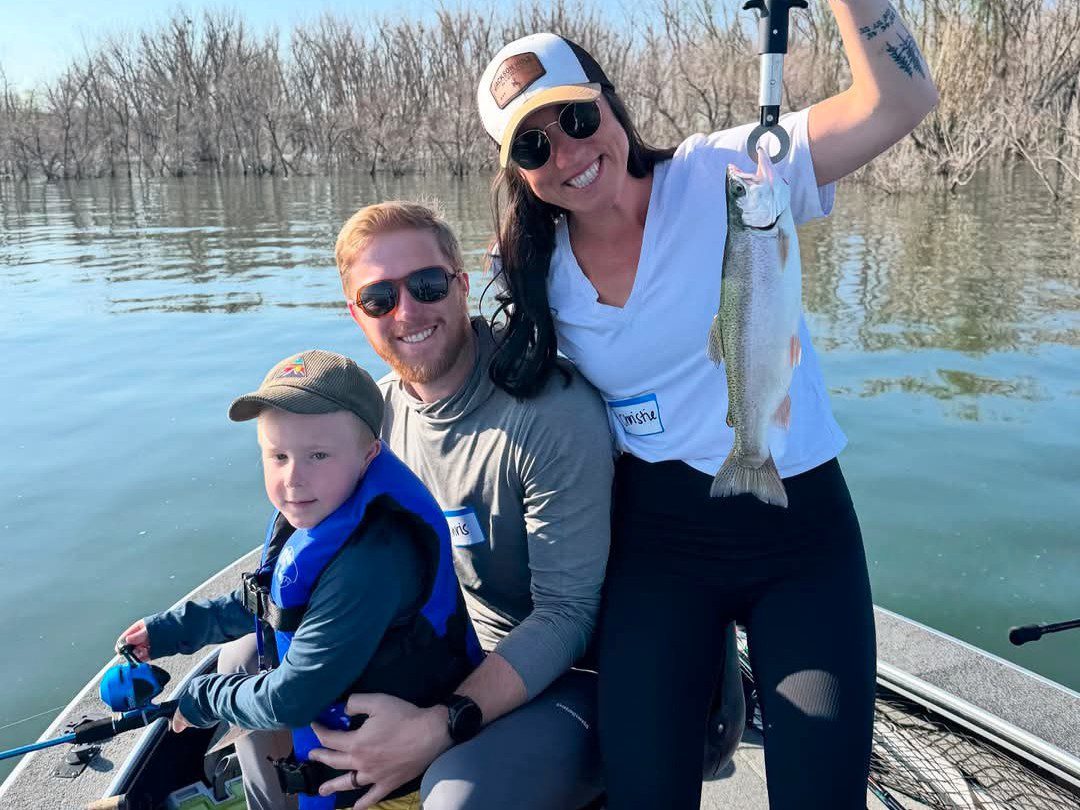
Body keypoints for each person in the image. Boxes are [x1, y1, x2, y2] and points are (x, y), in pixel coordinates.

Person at [474, 10, 939, 809]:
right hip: (659, 547)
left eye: (579, 119)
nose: (571, 154)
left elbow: (900, 103)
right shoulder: (532, 271)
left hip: (801, 533)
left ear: (612, 106)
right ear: (518, 170)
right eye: (535, 146)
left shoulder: (732, 172)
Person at [302, 201, 622, 810]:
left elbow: (568, 616)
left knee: (457, 801)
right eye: (379, 298)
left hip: (580, 676)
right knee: (254, 670)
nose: (408, 312)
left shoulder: (548, 411)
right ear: (357, 315)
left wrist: (435, 728)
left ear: (461, 283)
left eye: (425, 285)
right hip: (456, 648)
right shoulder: (376, 417)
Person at [116, 349, 480, 810]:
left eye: (318, 455)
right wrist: (170, 630)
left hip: (393, 779)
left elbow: (292, 698)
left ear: (369, 454)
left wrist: (201, 698)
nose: (293, 478)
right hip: (339, 743)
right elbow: (267, 600)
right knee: (237, 658)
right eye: (278, 455)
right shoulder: (326, 506)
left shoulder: (372, 562)